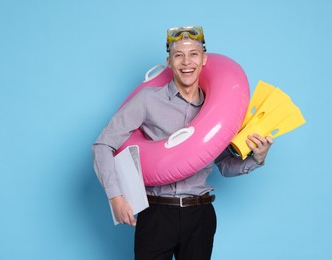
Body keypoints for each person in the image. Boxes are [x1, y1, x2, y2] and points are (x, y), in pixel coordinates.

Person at [92, 25, 274, 260]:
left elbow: (224, 166)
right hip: (157, 213)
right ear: (169, 61)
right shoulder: (148, 100)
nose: (186, 62)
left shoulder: (217, 112)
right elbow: (102, 145)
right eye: (179, 55)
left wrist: (256, 159)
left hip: (200, 215)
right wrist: (116, 198)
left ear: (204, 60)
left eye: (193, 54)